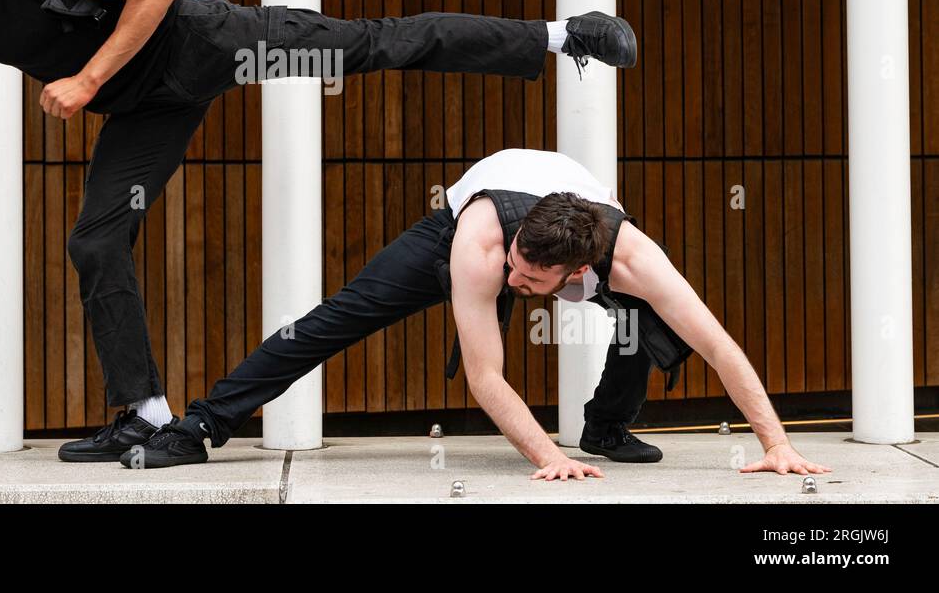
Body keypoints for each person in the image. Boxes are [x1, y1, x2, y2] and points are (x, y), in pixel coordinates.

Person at [0, 0, 638, 461]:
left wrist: (82, 83)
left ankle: (561, 34)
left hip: (203, 42)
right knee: (94, 241)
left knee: (370, 43)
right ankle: (143, 413)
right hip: (143, 113)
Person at [121, 148, 831, 481]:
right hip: (460, 224)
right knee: (336, 317)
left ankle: (606, 429)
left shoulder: (633, 259)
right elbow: (486, 376)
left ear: (575, 272)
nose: (513, 280)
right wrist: (548, 459)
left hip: (577, 247)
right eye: (514, 267)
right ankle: (202, 424)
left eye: (529, 279)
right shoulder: (482, 244)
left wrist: (776, 443)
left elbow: (720, 343)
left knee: (651, 327)